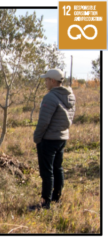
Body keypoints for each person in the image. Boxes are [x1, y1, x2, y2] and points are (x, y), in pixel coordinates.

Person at [28, 69, 76, 211]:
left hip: (48, 139)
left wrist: (37, 138)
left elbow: (44, 122)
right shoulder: (70, 96)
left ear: (53, 81)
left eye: (47, 80)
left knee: (46, 171)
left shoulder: (50, 97)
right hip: (62, 137)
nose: (45, 82)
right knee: (57, 168)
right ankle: (56, 198)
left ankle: (45, 202)